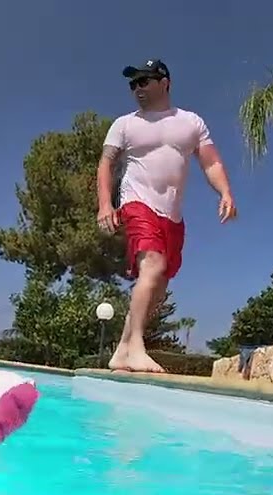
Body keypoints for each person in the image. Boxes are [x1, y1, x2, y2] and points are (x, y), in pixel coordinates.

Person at [96, 59, 237, 373]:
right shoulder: (124, 124)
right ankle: (136, 347)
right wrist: (106, 204)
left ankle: (122, 349)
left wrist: (225, 192)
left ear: (165, 82)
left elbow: (210, 162)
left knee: (159, 283)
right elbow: (106, 164)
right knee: (153, 265)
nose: (137, 89)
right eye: (133, 84)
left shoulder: (190, 122)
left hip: (172, 215)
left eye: (144, 82)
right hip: (136, 203)